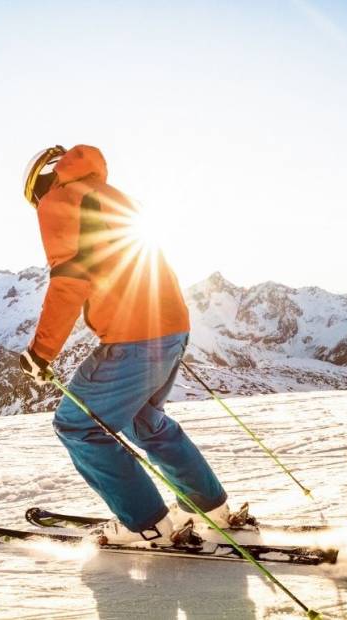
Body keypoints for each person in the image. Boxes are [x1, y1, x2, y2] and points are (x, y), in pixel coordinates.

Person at [18, 144, 230, 546]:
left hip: (135, 335)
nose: (37, 207)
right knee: (145, 422)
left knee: (76, 426)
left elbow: (69, 280)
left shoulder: (59, 200)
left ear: (40, 184)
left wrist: (40, 352)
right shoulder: (113, 196)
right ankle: (209, 506)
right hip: (170, 326)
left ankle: (145, 523)